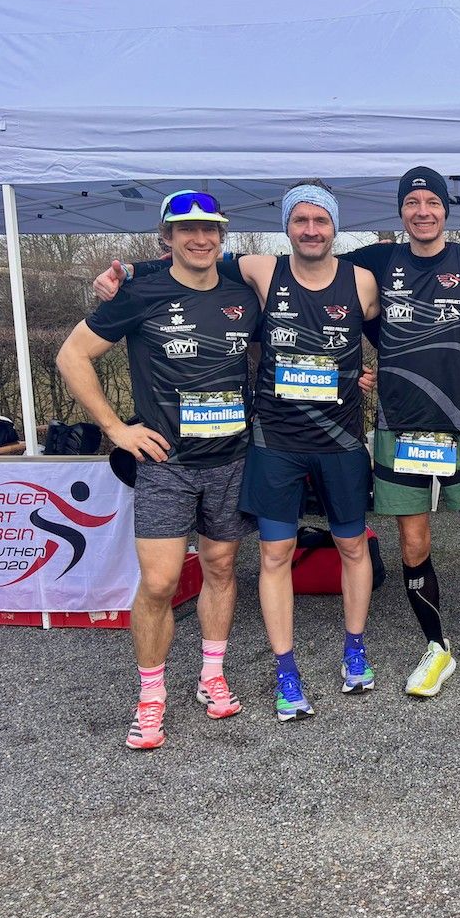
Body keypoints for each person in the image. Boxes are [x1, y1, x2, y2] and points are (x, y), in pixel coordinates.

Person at [91, 182, 383, 720]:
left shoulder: (363, 281)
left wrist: (368, 375)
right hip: (273, 442)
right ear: (286, 227)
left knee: (352, 547)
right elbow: (192, 260)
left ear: (335, 226)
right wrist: (127, 272)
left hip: (339, 441)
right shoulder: (260, 271)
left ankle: (355, 649)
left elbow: (395, 338)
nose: (311, 229)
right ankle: (285, 670)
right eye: (300, 220)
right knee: (272, 555)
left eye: (321, 220)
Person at [57, 191, 261, 749]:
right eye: (186, 229)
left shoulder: (244, 294)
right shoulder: (139, 292)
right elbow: (72, 356)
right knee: (161, 583)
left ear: (222, 236)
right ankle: (151, 697)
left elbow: (275, 347)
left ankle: (211, 675)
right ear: (166, 237)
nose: (200, 238)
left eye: (210, 229)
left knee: (221, 569)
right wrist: (115, 428)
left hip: (232, 460)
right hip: (166, 465)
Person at [343, 166, 460, 696]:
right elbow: (314, 283)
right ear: (401, 210)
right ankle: (436, 647)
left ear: (447, 209)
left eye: (432, 202)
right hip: (399, 427)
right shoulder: (377, 262)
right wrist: (345, 364)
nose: (422, 211)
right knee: (412, 541)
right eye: (412, 202)